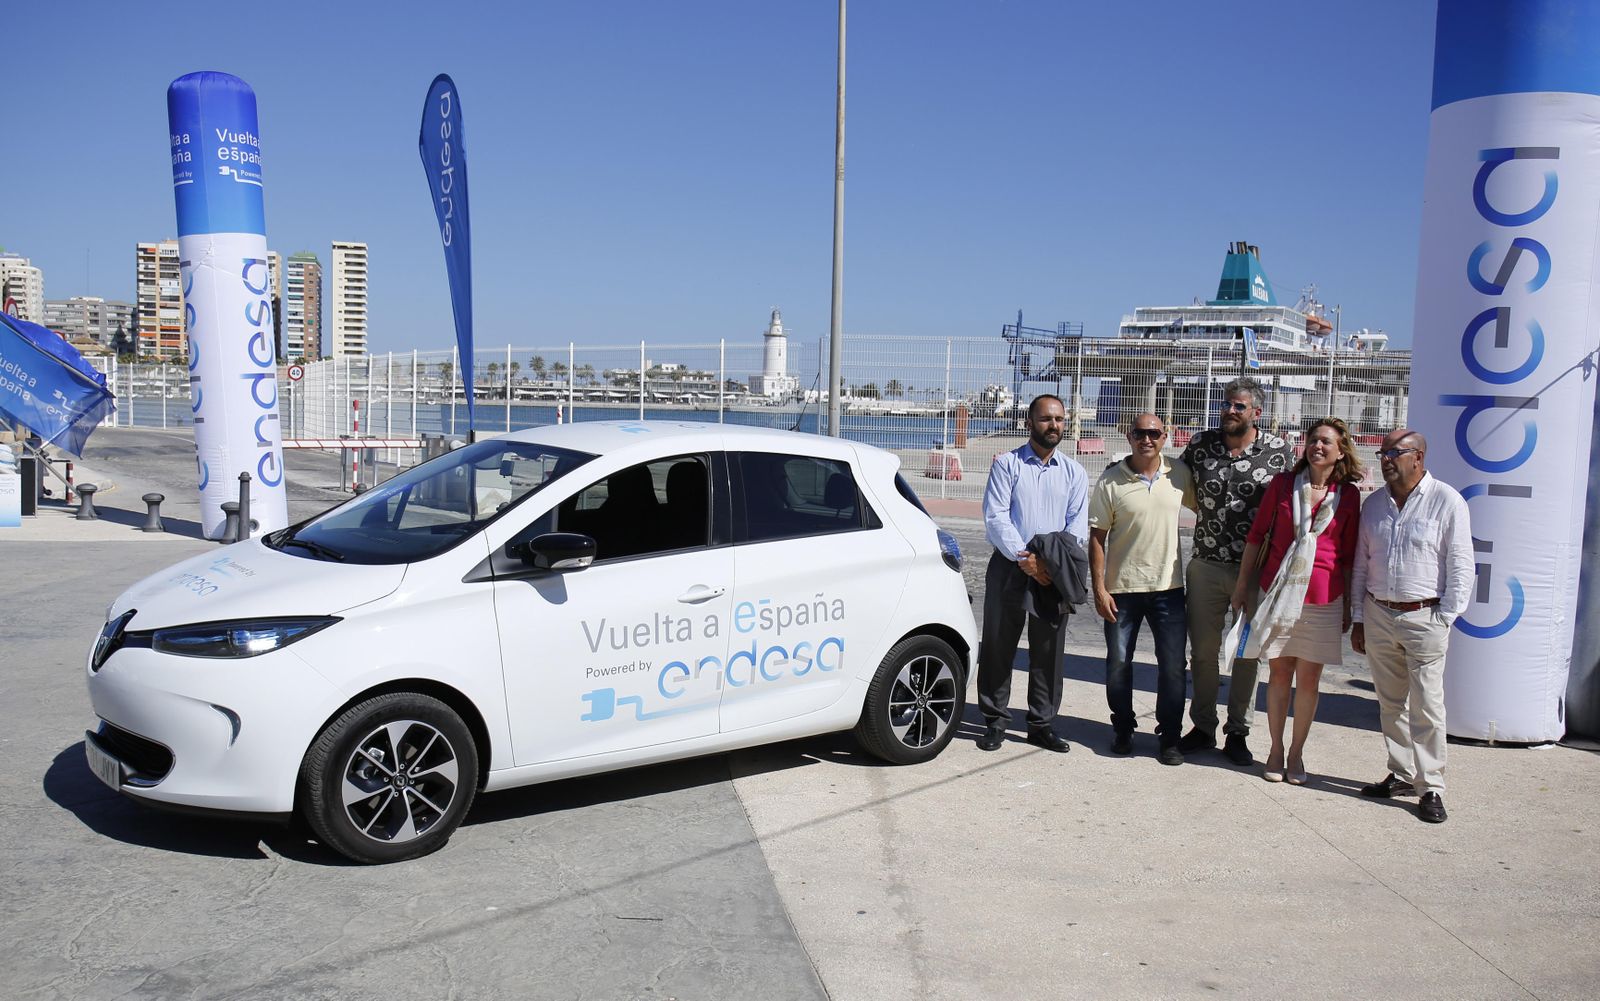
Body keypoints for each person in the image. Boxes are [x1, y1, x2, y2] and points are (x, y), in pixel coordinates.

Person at [1350, 429, 1473, 824]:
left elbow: (1460, 564)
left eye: (1394, 453)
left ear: (1418, 456)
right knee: (1390, 704)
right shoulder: (1374, 506)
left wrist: (1445, 615)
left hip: (1425, 617)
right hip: (1379, 613)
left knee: (1428, 706)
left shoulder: (1446, 501)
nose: (1385, 459)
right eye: (1383, 452)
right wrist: (1358, 617)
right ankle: (1401, 773)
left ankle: (1432, 785)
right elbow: (1361, 564)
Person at [1230, 418, 1362, 784]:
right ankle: (1274, 749)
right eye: (1313, 440)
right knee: (1278, 673)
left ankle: (1296, 752)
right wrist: (1243, 587)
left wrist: (1350, 605)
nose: (1318, 446)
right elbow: (1257, 537)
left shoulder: (1348, 495)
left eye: (1326, 442)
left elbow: (1348, 555)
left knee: (1308, 680)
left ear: (1340, 451)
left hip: (1323, 597)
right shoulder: (1284, 484)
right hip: (1277, 591)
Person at [1178, 376, 1293, 765]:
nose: (1229, 410)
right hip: (1206, 564)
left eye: (1239, 406)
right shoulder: (1200, 445)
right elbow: (1176, 484)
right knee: (1205, 652)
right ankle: (1203, 726)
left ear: (1256, 413)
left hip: (1256, 572)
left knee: (1247, 653)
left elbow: (1295, 497)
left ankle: (1238, 731)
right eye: (1227, 403)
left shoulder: (1278, 451)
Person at [977, 394, 1089, 753]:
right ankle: (995, 719)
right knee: (998, 645)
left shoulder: (1075, 472)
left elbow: (1077, 527)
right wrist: (1025, 558)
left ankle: (1041, 723)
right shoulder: (1007, 464)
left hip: (1052, 572)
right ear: (1029, 423)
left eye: (1058, 419)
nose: (1053, 425)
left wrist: (1047, 566)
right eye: (1045, 419)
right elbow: (996, 516)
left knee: (1048, 650)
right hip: (1010, 567)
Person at [1089, 414, 1194, 764]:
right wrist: (1100, 588)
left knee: (1173, 665)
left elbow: (1210, 508)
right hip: (1122, 589)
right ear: (1129, 436)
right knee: (1119, 663)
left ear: (1165, 437)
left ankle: (1170, 736)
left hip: (1169, 588)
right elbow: (1097, 537)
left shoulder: (1179, 474)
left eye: (1153, 433)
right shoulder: (1111, 480)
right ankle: (1122, 727)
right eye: (1139, 433)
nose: (1146, 439)